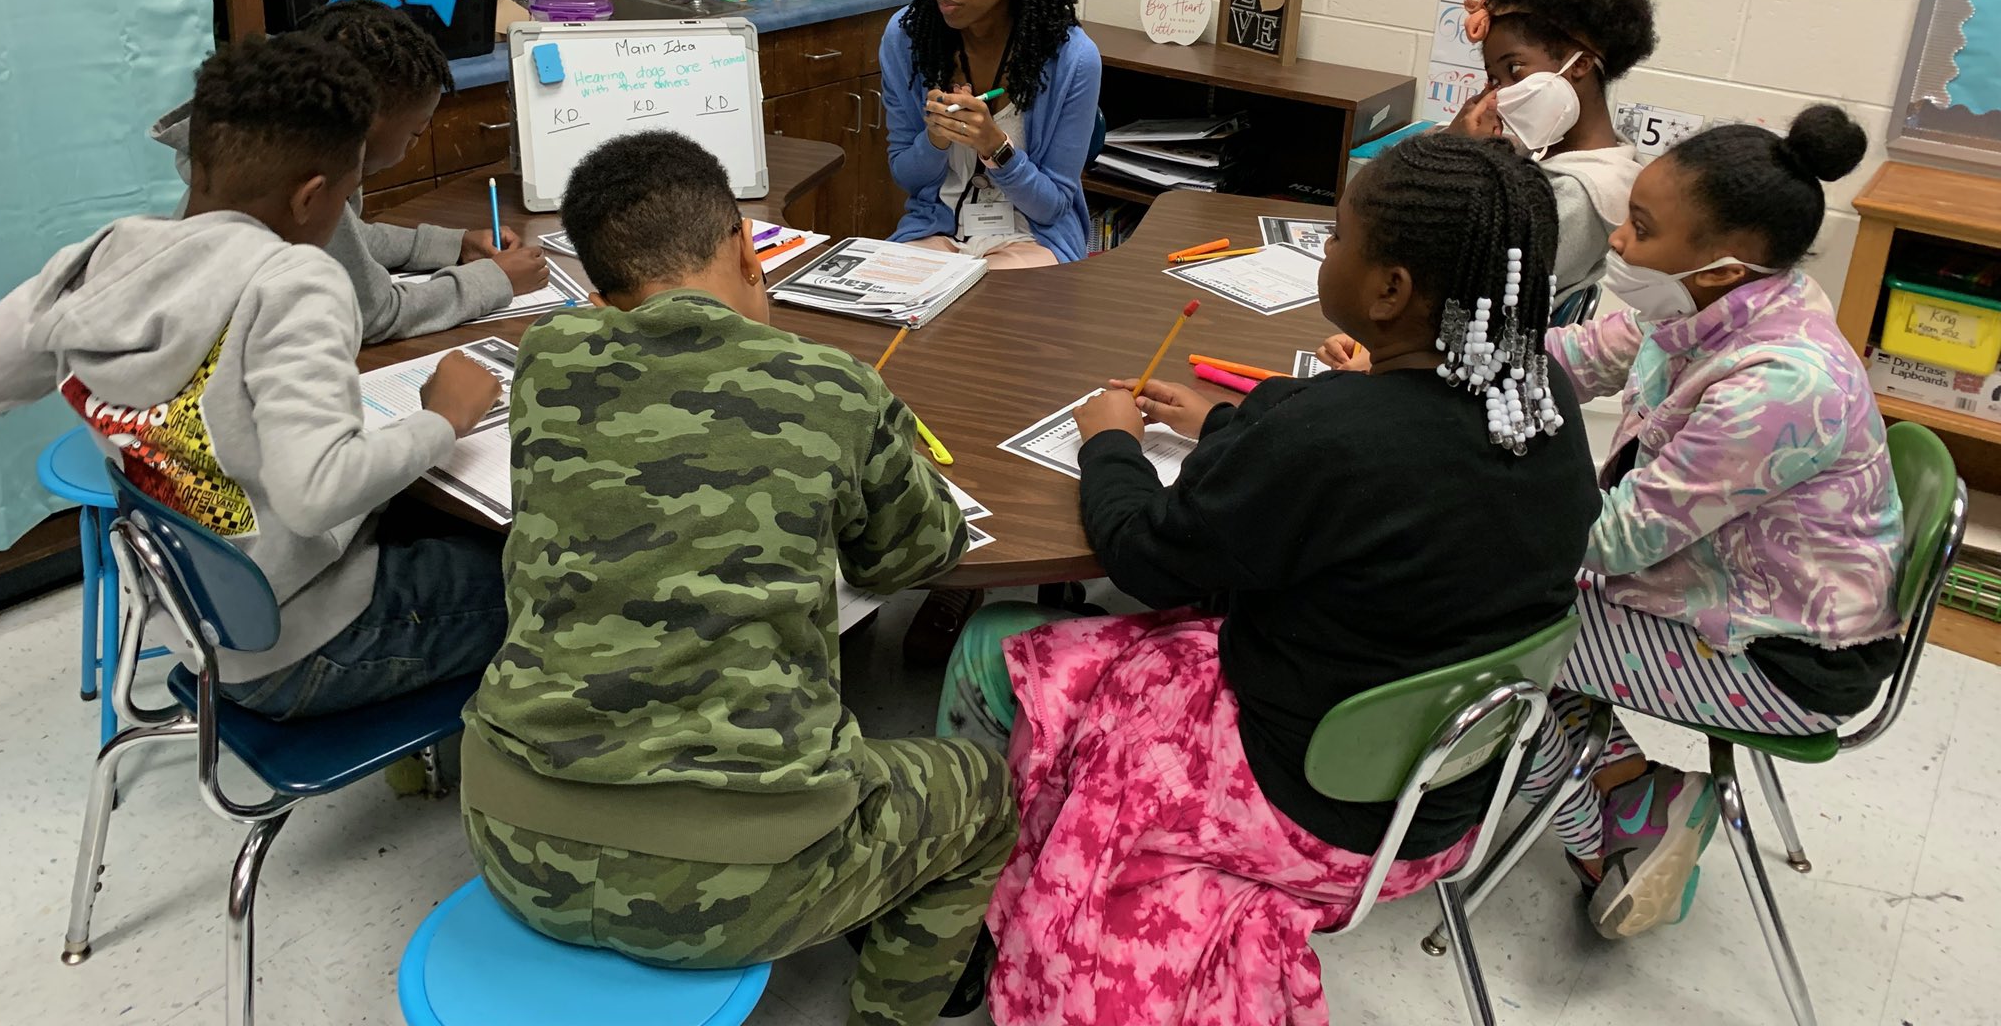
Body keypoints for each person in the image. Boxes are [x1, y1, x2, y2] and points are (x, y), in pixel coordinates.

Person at [939, 135, 1600, 1026]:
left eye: (1338, 241)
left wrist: (1108, 441)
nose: (1327, 253)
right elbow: (1369, 479)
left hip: (1301, 806)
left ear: (1391, 290)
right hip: (1443, 802)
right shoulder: (1545, 399)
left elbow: (1145, 555)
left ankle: (950, 915)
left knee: (995, 641)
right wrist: (1234, 422)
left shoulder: (1333, 436)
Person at [460, 131, 1015, 1026]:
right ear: (748, 248)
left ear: (600, 298)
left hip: (514, 844)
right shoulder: (835, 386)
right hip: (741, 885)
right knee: (983, 795)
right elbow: (917, 555)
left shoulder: (547, 362)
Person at [0, 34, 508, 719]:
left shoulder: (93, 263)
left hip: (197, 621)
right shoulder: (294, 283)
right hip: (305, 644)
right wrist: (442, 419)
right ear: (312, 197)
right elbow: (316, 494)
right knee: (563, 579)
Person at [1511, 104, 1902, 939]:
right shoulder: (1711, 304)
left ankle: (1602, 834)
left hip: (1784, 661)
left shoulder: (1780, 384)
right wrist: (1426, 357)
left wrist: (1464, 504)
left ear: (1725, 266)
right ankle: (1631, 789)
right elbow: (1576, 358)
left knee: (1478, 627)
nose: (1617, 243)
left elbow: (1609, 541)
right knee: (1506, 599)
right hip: (1717, 595)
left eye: (1640, 230)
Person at [151, 0, 549, 342]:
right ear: (365, 118)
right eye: (415, 132)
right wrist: (495, 280)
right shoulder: (304, 184)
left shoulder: (251, 159)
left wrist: (452, 244)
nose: (413, 145)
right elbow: (374, 314)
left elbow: (349, 238)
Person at [879, 0, 1102, 271]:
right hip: (937, 232)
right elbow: (907, 178)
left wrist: (995, 147)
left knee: (990, 316)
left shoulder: (1073, 60)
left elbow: (1053, 207)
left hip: (1031, 237)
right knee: (886, 300)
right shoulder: (906, 38)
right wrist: (935, 138)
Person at [1446, 0, 1658, 302]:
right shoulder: (1544, 152)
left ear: (1581, 64)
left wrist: (1458, 163)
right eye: (1494, 78)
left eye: (1515, 70)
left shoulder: (1583, 192)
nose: (1500, 94)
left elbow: (1470, 279)